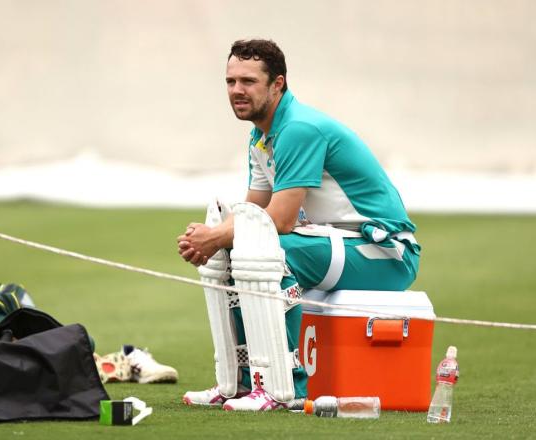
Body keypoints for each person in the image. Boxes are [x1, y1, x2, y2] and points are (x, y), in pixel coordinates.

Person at [177, 39, 420, 411]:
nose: (237, 90)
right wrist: (212, 238)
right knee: (233, 251)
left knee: (271, 253)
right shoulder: (261, 136)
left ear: (278, 84)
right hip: (340, 243)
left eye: (248, 81)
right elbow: (252, 211)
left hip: (385, 253)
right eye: (230, 81)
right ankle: (239, 384)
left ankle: (284, 389)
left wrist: (217, 236)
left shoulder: (299, 129)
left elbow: (279, 221)